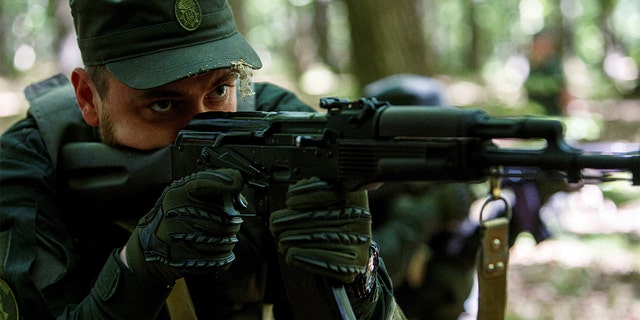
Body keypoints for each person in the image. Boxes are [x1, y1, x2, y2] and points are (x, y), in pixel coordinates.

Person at [0, 0, 401, 319]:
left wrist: (358, 281)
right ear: (89, 97)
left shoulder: (284, 133)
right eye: (162, 104)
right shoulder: (26, 168)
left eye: (220, 90)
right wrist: (137, 271)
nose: (204, 127)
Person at [364, 74, 480, 320]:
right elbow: (364, 276)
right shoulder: (365, 192)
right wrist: (427, 214)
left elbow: (458, 262)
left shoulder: (440, 185)